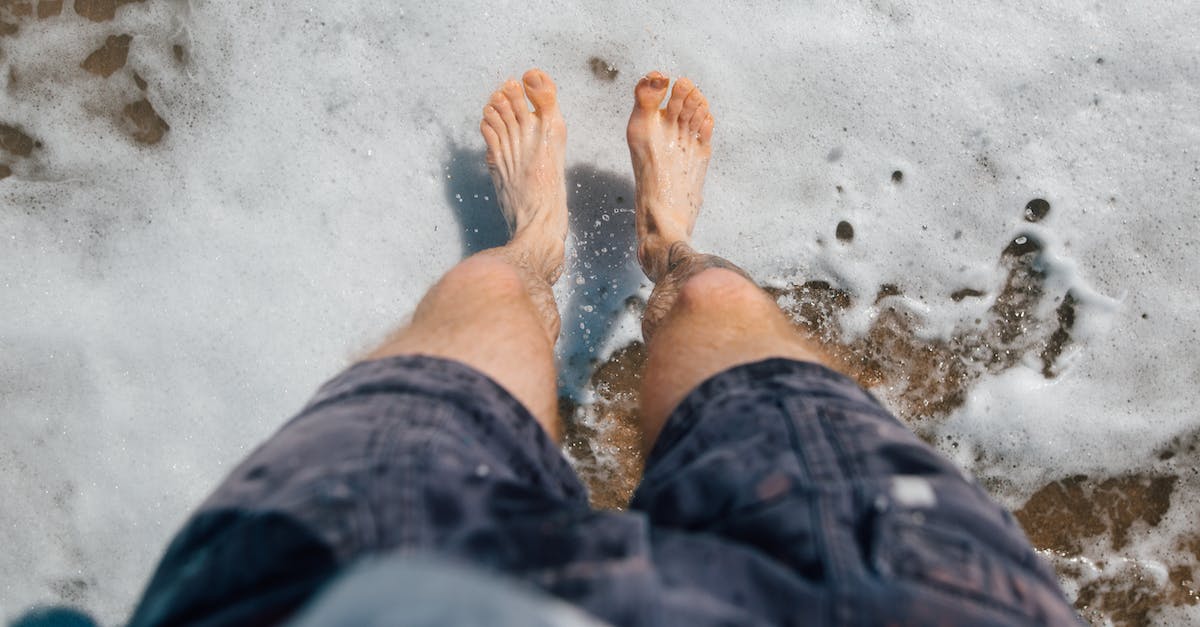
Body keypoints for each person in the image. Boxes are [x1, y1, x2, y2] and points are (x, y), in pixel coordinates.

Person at [123, 69, 1084, 626]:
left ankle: (546, 253)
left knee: (480, 297)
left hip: (358, 593)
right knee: (719, 304)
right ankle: (660, 248)